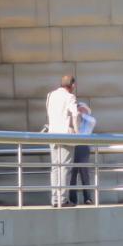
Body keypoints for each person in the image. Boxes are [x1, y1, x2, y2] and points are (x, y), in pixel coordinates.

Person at [46, 75, 81, 207]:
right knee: (64, 167)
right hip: (65, 135)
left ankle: (55, 199)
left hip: (52, 134)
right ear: (72, 86)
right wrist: (78, 133)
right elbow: (75, 114)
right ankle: (63, 199)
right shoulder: (70, 97)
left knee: (55, 167)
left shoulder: (50, 95)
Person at [67, 99, 96, 205]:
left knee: (84, 173)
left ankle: (88, 198)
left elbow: (92, 121)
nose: (79, 110)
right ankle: (72, 199)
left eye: (81, 108)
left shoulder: (89, 120)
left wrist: (79, 113)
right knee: (72, 173)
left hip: (83, 146)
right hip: (73, 146)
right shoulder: (74, 120)